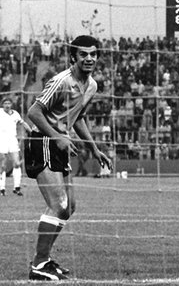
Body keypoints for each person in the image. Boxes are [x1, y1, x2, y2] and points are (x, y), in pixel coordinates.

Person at [25, 35, 113, 280]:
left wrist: (94, 148)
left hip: (61, 143)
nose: (89, 58)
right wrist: (56, 137)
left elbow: (79, 117)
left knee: (69, 207)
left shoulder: (92, 85)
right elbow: (34, 112)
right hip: (42, 140)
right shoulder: (61, 81)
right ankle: (39, 266)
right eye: (83, 54)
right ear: (73, 56)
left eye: (93, 54)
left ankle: (44, 260)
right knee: (59, 204)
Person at [0, 97, 32, 196]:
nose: (7, 105)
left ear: (11, 104)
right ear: (2, 104)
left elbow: (23, 123)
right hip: (2, 139)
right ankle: (2, 188)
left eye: (9, 103)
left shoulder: (15, 114)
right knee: (2, 165)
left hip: (12, 140)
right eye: (5, 103)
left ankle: (16, 187)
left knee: (17, 163)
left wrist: (31, 132)